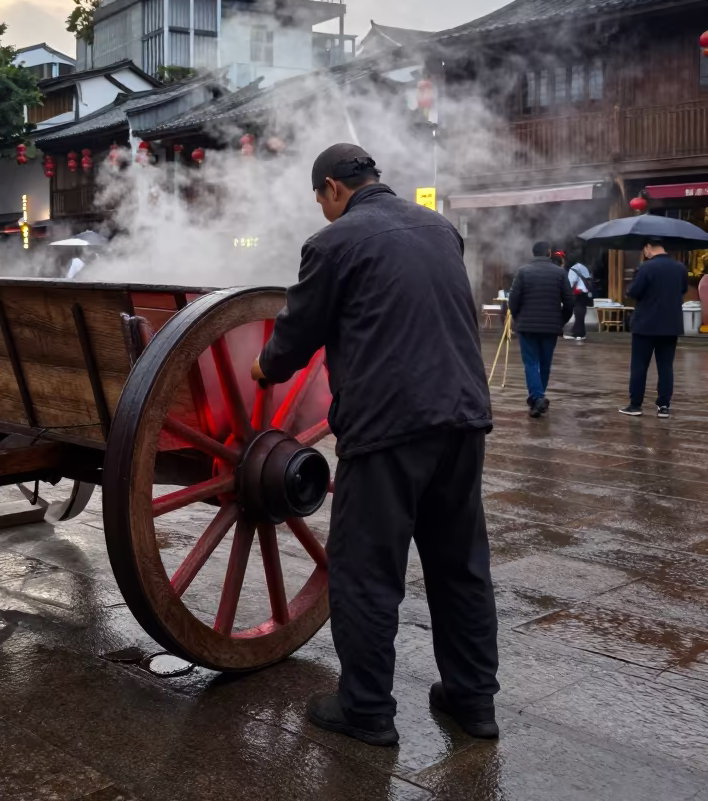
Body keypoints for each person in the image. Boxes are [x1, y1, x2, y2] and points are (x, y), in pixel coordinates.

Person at [250, 144, 498, 747]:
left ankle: (364, 708)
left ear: (333, 188)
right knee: (461, 565)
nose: (322, 208)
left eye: (320, 198)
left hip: (388, 424)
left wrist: (263, 367)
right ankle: (473, 703)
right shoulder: (440, 229)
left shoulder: (333, 243)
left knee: (365, 570)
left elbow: (296, 334)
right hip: (463, 416)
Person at [619, 239, 687, 418]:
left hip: (645, 325)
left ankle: (635, 405)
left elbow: (633, 292)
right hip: (671, 325)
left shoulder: (646, 268)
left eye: (644, 249)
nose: (644, 253)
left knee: (639, 366)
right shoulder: (680, 268)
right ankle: (664, 406)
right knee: (666, 366)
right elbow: (683, 289)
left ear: (649, 247)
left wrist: (635, 278)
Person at [508, 242, 573, 418]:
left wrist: (518, 317)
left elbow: (513, 299)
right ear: (549, 253)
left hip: (527, 326)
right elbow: (569, 301)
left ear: (533, 253)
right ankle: (538, 399)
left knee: (531, 363)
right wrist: (561, 321)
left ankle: (537, 398)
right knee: (545, 363)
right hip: (550, 327)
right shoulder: (560, 273)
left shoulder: (523, 272)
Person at [565, 259, 594, 342]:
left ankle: (578, 333)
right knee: (582, 313)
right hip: (585, 293)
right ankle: (580, 332)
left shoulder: (573, 269)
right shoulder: (583, 267)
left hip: (578, 293)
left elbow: (571, 283)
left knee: (578, 313)